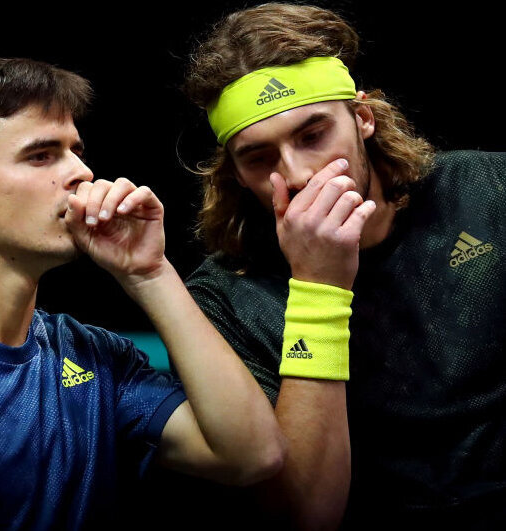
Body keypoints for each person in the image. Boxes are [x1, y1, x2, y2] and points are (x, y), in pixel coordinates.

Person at [183, 3, 506, 530]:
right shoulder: (225, 296)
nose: (297, 174)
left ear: (363, 118)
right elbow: (305, 514)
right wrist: (319, 286)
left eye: (312, 135)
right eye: (259, 158)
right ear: (236, 174)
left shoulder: (488, 188)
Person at [0, 57, 287, 529]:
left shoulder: (95, 358)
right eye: (41, 155)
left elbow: (254, 455)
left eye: (76, 151)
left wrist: (150, 273)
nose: (82, 172)